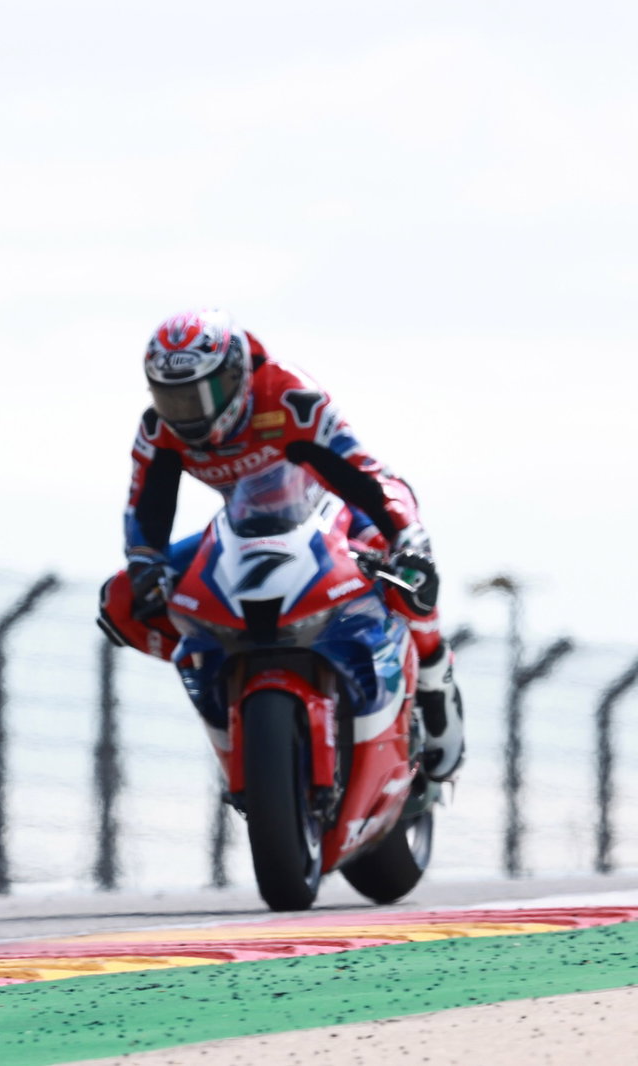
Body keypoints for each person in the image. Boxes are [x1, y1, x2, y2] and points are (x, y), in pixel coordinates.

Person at [96, 308, 463, 782]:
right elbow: (145, 508)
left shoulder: (289, 396)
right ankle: (225, 666)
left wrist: (404, 533)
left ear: (237, 375)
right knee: (121, 600)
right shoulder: (158, 430)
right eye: (174, 399)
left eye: (202, 394)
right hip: (242, 532)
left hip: (333, 515)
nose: (189, 412)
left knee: (410, 573)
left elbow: (362, 472)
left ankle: (433, 680)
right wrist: (145, 564)